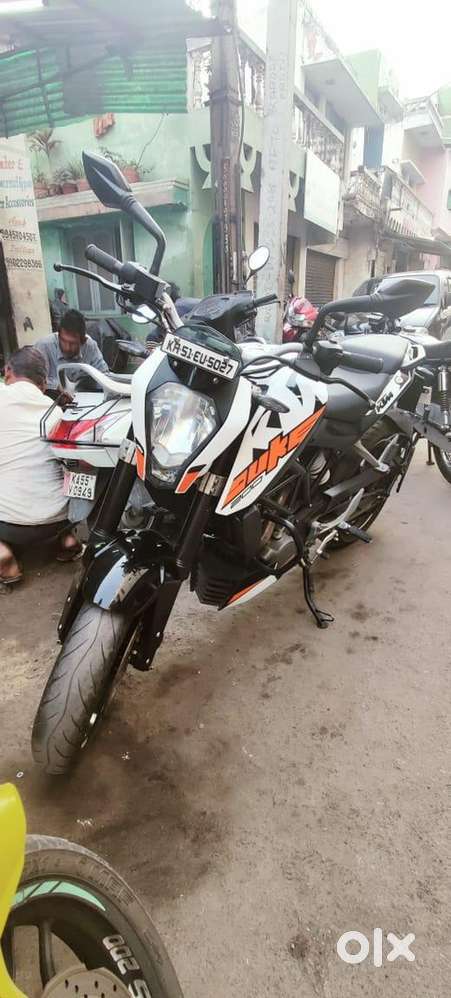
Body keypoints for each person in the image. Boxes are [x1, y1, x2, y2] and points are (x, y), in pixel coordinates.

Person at [0, 347, 81, 585]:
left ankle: (3, 552)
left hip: (8, 524)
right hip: (58, 520)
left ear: (7, 371)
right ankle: (66, 539)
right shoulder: (54, 411)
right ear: (43, 383)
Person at [35, 308, 109, 392]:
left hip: (84, 396)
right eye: (63, 341)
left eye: (72, 343)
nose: (67, 347)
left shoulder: (90, 346)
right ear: (58, 336)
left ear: (83, 341)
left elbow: (104, 376)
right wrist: (56, 387)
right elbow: (34, 382)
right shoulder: (44, 346)